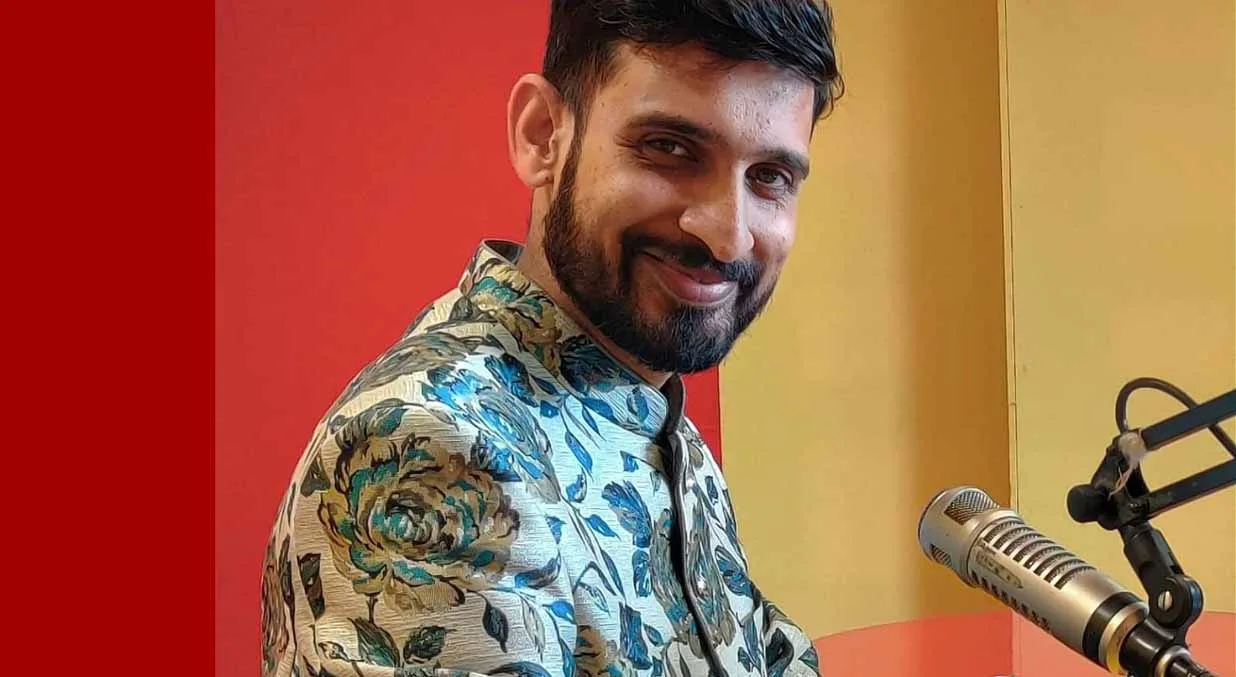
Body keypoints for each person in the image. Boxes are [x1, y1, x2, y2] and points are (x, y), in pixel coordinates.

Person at [261, 1, 843, 675]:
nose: (728, 234)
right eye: (669, 148)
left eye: (769, 177)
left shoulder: (652, 418)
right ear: (542, 136)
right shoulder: (436, 447)